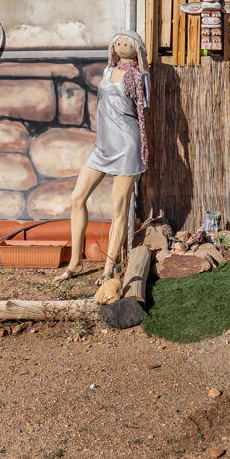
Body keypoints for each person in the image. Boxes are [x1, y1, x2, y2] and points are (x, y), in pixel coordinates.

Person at [61, 32, 149, 294]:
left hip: (126, 144)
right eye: (119, 43)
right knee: (77, 198)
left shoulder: (140, 76)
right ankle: (75, 262)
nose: (122, 47)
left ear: (136, 49)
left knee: (118, 208)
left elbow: (142, 107)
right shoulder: (108, 70)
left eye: (128, 44)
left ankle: (109, 268)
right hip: (103, 145)